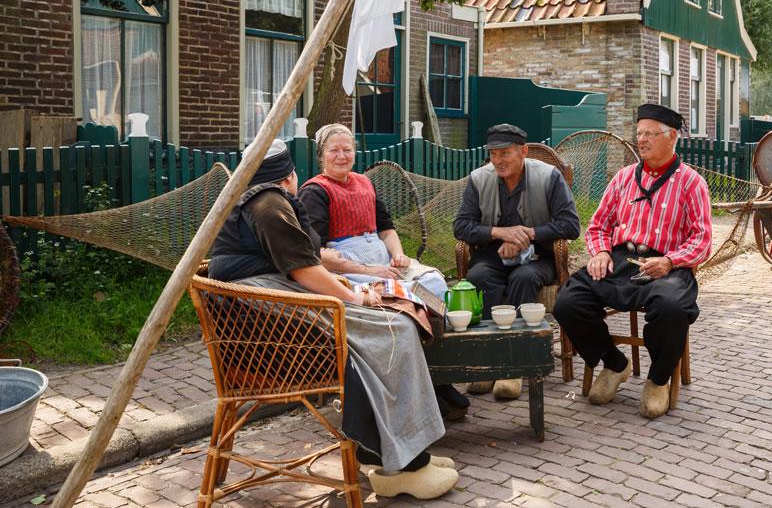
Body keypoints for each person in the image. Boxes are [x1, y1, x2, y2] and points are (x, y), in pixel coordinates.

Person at [208, 139, 459, 499]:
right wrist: (354, 296)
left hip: (268, 305)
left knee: (396, 318)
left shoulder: (261, 200)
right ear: (290, 176)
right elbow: (303, 269)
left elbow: (300, 265)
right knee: (393, 329)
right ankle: (401, 464)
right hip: (263, 320)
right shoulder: (268, 204)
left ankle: (401, 454)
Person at [298, 123, 469, 419]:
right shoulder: (315, 192)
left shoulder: (365, 183)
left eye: (347, 149)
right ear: (321, 156)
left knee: (434, 285)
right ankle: (420, 388)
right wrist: (369, 269)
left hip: (382, 260)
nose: (341, 156)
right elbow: (318, 254)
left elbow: (386, 228)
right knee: (400, 300)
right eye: (334, 150)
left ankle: (435, 375)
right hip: (348, 267)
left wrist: (398, 254)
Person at [553, 104, 712, 419]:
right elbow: (598, 225)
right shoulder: (623, 178)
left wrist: (670, 260)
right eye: (639, 133)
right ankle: (614, 363)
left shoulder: (692, 183)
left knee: (671, 308)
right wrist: (599, 252)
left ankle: (658, 379)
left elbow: (702, 240)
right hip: (620, 261)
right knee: (568, 302)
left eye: (650, 134)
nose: (642, 140)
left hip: (666, 266)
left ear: (672, 138)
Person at [453, 123, 580, 400]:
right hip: (492, 254)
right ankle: (489, 360)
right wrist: (500, 233)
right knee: (479, 278)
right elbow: (461, 227)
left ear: (522, 151)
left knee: (523, 278)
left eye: (505, 153)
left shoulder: (549, 177)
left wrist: (528, 234)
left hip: (538, 254)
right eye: (493, 154)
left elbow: (571, 225)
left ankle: (514, 366)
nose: (498, 160)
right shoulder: (479, 179)